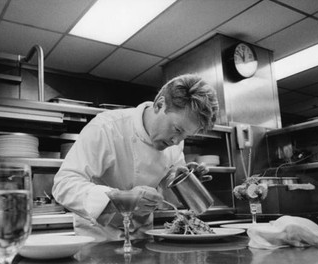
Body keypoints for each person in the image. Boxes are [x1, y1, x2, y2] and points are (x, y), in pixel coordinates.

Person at [52, 73, 219, 241]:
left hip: (143, 237)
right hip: (100, 238)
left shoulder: (175, 143)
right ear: (159, 104)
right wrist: (120, 199)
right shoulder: (106, 127)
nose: (177, 141)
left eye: (186, 136)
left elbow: (169, 199)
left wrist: (182, 184)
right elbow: (64, 184)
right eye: (177, 129)